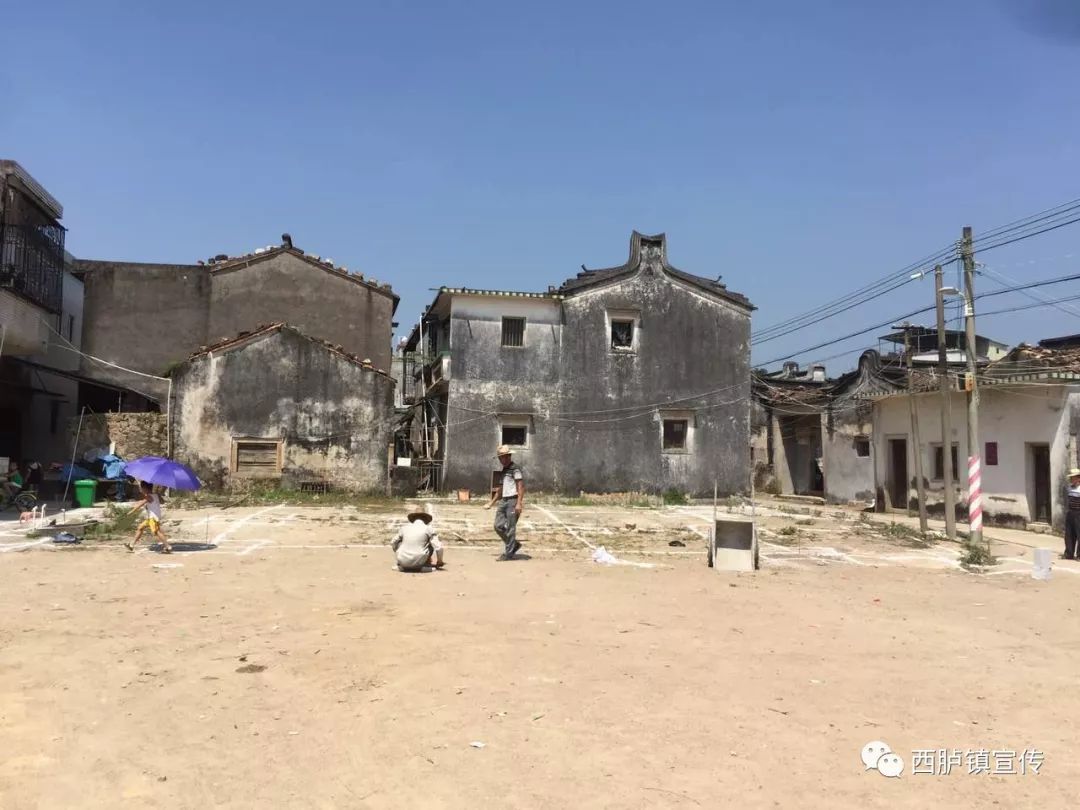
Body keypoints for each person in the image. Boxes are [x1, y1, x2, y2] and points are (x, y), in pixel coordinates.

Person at [486, 444, 524, 560]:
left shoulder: (515, 469)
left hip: (512, 500)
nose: (505, 458)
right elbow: (501, 489)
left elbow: (520, 486)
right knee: (498, 526)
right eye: (502, 457)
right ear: (499, 458)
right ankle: (514, 545)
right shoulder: (504, 470)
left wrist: (519, 503)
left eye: (507, 456)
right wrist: (491, 503)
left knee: (511, 528)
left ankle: (508, 553)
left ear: (509, 456)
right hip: (504, 500)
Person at [391, 508, 444, 572]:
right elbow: (439, 547)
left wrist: (397, 551)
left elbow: (393, 542)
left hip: (402, 561)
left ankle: (403, 566)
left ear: (414, 518)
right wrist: (439, 561)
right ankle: (423, 566)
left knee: (400, 543)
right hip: (419, 561)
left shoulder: (404, 528)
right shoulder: (428, 529)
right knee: (430, 545)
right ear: (425, 519)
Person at [125, 481, 171, 553]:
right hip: (151, 518)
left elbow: (140, 504)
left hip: (153, 518)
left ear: (145, 488)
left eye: (142, 488)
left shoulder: (148, 496)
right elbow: (162, 502)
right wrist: (158, 495)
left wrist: (131, 512)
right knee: (140, 528)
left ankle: (168, 546)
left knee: (156, 532)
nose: (141, 490)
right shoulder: (155, 495)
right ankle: (131, 545)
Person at [1065, 468, 1080, 560]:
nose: (1071, 480)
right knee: (1069, 534)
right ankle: (1069, 553)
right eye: (1071, 478)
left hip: (1079, 513)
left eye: (1073, 478)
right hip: (1070, 512)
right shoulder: (1070, 488)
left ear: (1078, 478)